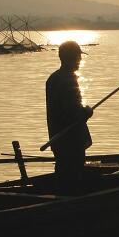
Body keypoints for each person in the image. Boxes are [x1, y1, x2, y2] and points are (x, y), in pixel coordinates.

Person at [45, 41, 93, 188]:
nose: (80, 60)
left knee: (63, 172)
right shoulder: (69, 79)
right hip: (71, 139)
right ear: (72, 58)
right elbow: (72, 113)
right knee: (73, 176)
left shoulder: (53, 78)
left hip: (57, 138)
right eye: (78, 57)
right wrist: (87, 111)